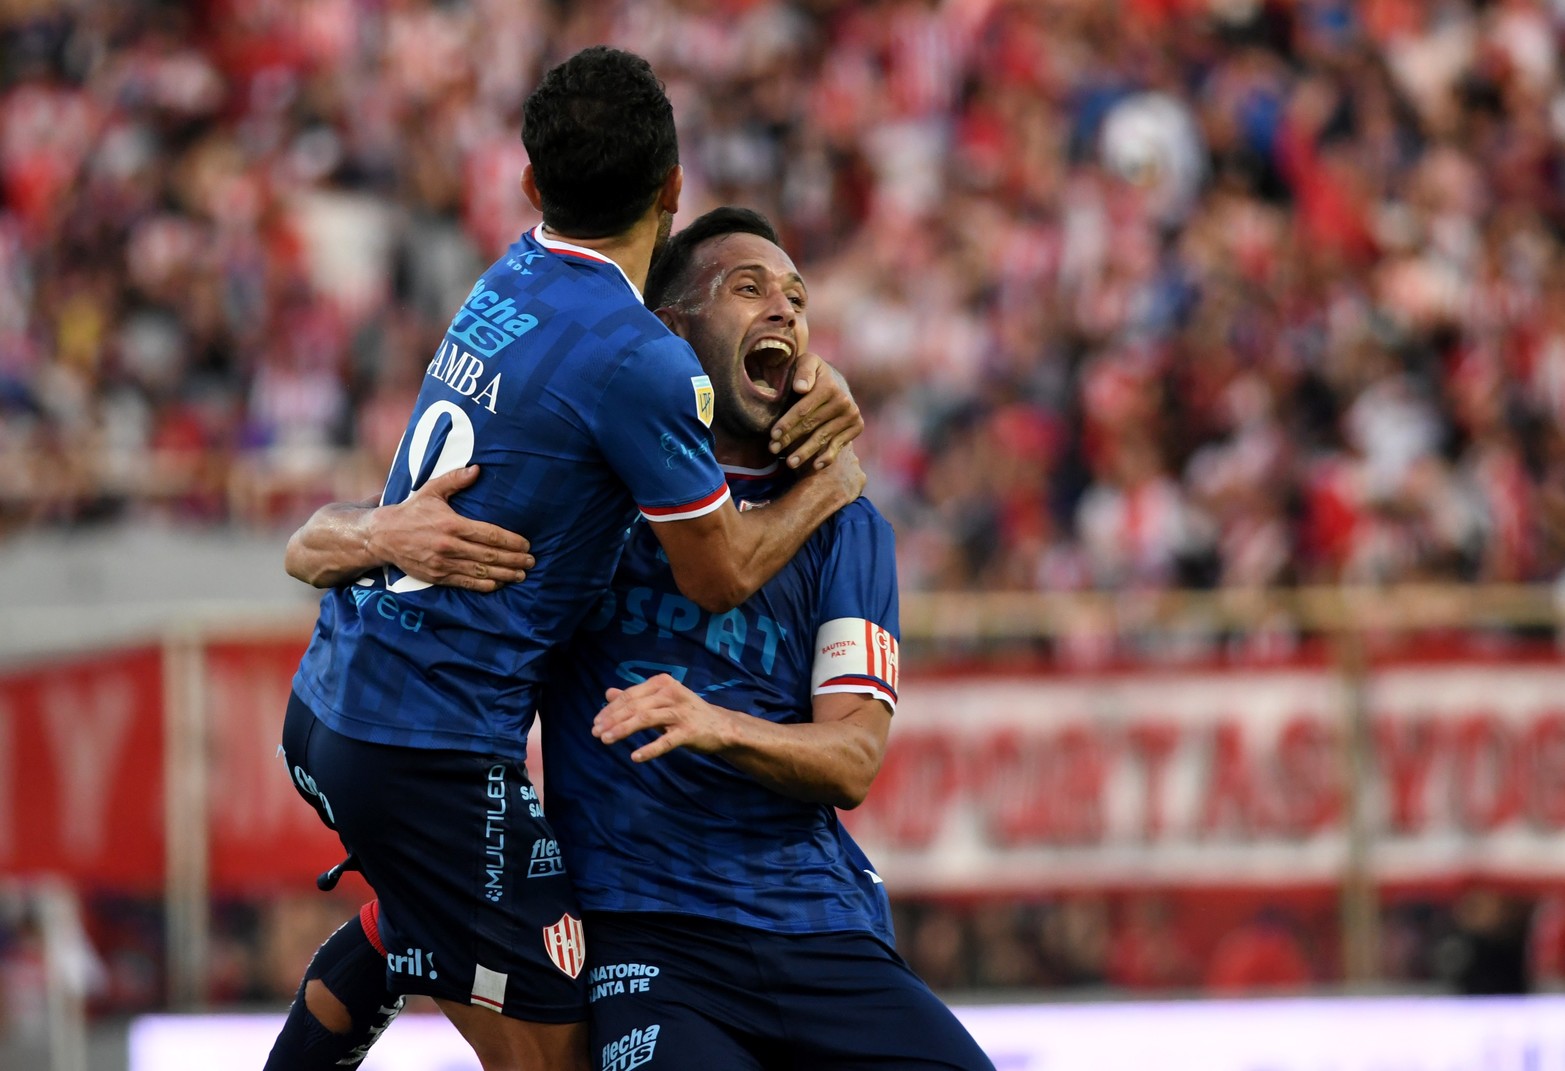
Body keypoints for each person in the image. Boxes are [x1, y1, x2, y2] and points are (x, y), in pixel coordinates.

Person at [290, 207, 995, 1070]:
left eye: (796, 297)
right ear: (670, 332)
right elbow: (310, 543)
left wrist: (716, 722)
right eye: (748, 288)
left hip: (822, 932)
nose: (784, 310)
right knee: (395, 931)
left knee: (393, 931)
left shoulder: (850, 531)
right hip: (650, 947)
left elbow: (852, 758)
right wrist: (382, 534)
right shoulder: (594, 504)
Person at [269, 49, 863, 1071]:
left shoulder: (510, 273)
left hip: (331, 706)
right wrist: (830, 480)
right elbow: (716, 574)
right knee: (569, 1050)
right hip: (431, 755)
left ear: (530, 185)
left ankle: (391, 944)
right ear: (673, 188)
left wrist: (369, 533)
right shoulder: (640, 361)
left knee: (428, 928)